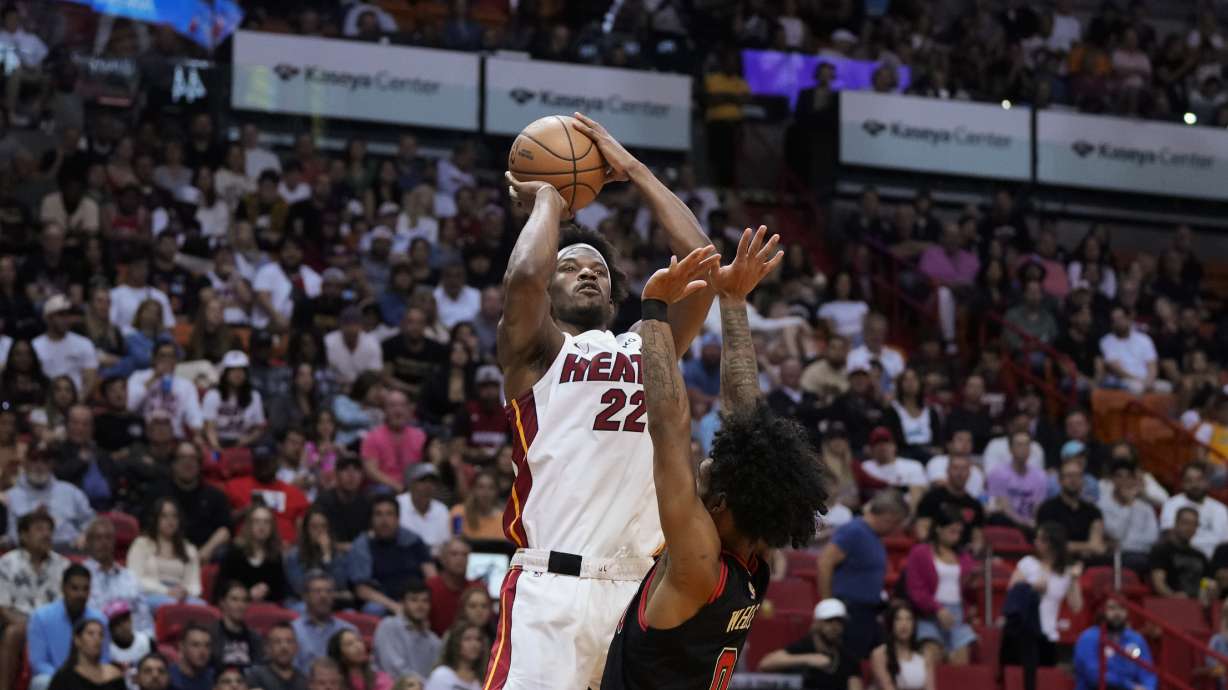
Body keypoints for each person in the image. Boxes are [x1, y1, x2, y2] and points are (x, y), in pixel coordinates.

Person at [488, 111, 714, 689]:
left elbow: (703, 267)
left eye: (598, 270)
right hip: (551, 590)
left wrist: (633, 167)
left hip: (642, 592)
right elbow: (522, 280)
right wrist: (550, 201)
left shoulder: (648, 342)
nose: (587, 274)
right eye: (570, 266)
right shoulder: (534, 352)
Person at [602, 233, 828, 688]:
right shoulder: (753, 560)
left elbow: (668, 428)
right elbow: (749, 420)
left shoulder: (698, 562)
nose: (704, 460)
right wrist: (732, 300)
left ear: (721, 502)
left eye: (710, 466)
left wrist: (654, 312)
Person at [819, 490, 910, 659]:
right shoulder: (854, 531)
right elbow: (825, 562)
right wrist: (828, 606)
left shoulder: (874, 536)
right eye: (895, 523)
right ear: (888, 516)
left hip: (868, 612)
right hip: (850, 610)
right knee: (851, 662)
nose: (895, 529)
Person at [0, 512, 70, 690]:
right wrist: (35, 627)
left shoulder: (64, 566)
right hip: (21, 624)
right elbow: (3, 607)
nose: (46, 534)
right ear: (23, 535)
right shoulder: (6, 563)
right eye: (39, 529)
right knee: (13, 633)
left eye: (49, 530)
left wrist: (46, 626)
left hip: (56, 623)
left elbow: (68, 604)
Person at [905, 507, 977, 666]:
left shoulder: (964, 557)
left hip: (957, 614)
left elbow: (967, 591)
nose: (956, 536)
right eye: (952, 531)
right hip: (929, 614)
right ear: (938, 529)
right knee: (931, 656)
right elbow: (915, 589)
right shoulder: (920, 553)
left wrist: (971, 585)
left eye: (959, 532)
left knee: (961, 661)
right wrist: (937, 609)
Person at [1008, 523, 1084, 664]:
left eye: (1040, 539)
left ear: (1051, 543)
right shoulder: (1028, 563)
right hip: (1024, 633)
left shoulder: (1066, 572)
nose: (1035, 542)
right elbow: (1011, 591)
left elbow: (1076, 606)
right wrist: (1031, 588)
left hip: (1049, 635)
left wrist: (1074, 580)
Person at [349, 495, 435, 616]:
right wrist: (395, 606)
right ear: (371, 519)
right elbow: (361, 590)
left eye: (390, 514)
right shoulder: (363, 545)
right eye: (378, 514)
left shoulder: (412, 540)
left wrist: (422, 601)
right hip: (384, 602)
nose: (384, 520)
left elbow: (431, 576)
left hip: (415, 598)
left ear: (398, 518)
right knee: (373, 609)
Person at [27, 565, 109, 690]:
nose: (80, 594)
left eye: (85, 589)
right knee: (41, 682)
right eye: (74, 588)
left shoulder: (100, 620)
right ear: (63, 588)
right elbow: (38, 663)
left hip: (89, 680)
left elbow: (104, 660)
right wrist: (67, 680)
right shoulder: (41, 617)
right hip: (54, 678)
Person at [148, 443, 231, 563]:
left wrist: (206, 551)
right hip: (163, 554)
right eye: (182, 457)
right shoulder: (157, 493)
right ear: (173, 464)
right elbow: (147, 527)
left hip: (203, 555)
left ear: (199, 464)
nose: (188, 463)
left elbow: (225, 529)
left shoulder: (215, 495)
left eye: (193, 458)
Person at [757, 599, 864, 690]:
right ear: (816, 623)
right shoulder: (803, 648)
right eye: (829, 621)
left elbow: (855, 685)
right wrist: (808, 659)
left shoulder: (848, 659)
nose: (835, 626)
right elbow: (765, 664)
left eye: (839, 622)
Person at [5, 448, 94, 549]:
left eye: (45, 461)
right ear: (25, 464)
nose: (39, 465)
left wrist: (84, 535)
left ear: (51, 464)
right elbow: (10, 536)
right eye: (34, 460)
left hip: (68, 552)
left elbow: (90, 521)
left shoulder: (71, 492)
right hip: (25, 554)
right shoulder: (10, 497)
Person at [127, 497, 204, 611]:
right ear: (155, 519)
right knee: (172, 605)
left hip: (182, 596)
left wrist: (186, 591)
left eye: (174, 516)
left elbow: (195, 585)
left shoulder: (189, 549)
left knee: (202, 607)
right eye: (164, 516)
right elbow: (133, 579)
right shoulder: (141, 544)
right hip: (151, 593)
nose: (170, 521)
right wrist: (166, 591)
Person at [223, 446, 309, 545]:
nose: (263, 466)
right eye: (259, 462)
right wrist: (245, 511)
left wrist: (294, 547)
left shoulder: (295, 493)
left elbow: (304, 530)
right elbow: (224, 522)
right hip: (246, 549)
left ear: (277, 461)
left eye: (267, 462)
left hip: (285, 551)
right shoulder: (234, 486)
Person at [84, 517, 153, 636]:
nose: (104, 542)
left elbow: (145, 620)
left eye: (108, 538)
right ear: (88, 542)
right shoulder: (80, 576)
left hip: (131, 643)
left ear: (114, 542)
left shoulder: (130, 577)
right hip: (95, 641)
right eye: (98, 538)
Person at [1036, 457, 1107, 562]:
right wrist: (1087, 547)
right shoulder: (1046, 509)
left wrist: (1070, 546)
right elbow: (1049, 546)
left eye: (1077, 475)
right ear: (1060, 480)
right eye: (1069, 476)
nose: (1073, 480)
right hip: (1056, 565)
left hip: (1087, 565)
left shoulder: (1094, 511)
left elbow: (1097, 547)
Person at [915, 442, 985, 549]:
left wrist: (974, 553)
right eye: (956, 468)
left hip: (963, 555)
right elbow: (922, 529)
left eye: (964, 469)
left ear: (970, 473)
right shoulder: (932, 498)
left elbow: (977, 538)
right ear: (947, 471)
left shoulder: (975, 505)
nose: (960, 473)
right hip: (935, 551)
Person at [1098, 459, 1159, 578]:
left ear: (1133, 480)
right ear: (1112, 480)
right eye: (1119, 476)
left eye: (1128, 477)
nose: (1123, 481)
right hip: (1113, 556)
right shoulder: (1102, 506)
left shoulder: (1146, 508)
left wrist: (1124, 545)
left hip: (1140, 555)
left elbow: (1152, 539)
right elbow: (1116, 534)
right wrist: (1128, 506)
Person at [217, 505, 288, 604]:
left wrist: (267, 591)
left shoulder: (276, 555)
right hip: (236, 608)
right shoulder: (234, 553)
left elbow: (280, 593)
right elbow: (221, 589)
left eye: (266, 522)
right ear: (248, 525)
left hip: (267, 610)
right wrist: (247, 595)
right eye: (257, 521)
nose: (262, 526)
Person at [32, 294, 99, 397]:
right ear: (48, 318)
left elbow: (91, 377)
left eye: (67, 315)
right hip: (46, 399)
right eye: (60, 315)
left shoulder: (84, 343)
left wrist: (80, 401)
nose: (65, 319)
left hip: (76, 399)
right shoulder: (35, 346)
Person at [360, 390, 426, 493]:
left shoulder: (420, 436)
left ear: (409, 410)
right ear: (385, 410)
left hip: (414, 489)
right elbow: (371, 471)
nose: (398, 410)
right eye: (392, 406)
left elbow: (424, 468)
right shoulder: (372, 437)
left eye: (402, 405)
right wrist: (397, 486)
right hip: (383, 489)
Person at [373, 580, 440, 681]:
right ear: (402, 603)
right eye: (414, 600)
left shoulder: (434, 641)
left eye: (425, 601)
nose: (420, 605)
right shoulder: (388, 626)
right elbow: (394, 670)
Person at [1160, 461, 1228, 559]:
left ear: (1207, 482)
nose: (1195, 485)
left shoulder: (1220, 509)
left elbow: (1224, 541)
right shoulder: (1172, 504)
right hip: (1182, 558)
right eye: (1189, 480)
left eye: (1199, 480)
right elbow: (1171, 537)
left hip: (1214, 561)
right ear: (1182, 483)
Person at [290, 572, 355, 673]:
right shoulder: (293, 631)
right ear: (305, 596)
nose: (324, 596)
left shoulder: (348, 630)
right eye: (317, 591)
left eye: (329, 591)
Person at [202, 351, 266, 450]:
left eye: (241, 370)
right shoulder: (213, 395)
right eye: (233, 370)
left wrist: (246, 441)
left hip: (245, 443)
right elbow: (209, 428)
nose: (238, 374)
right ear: (225, 373)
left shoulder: (254, 396)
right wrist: (217, 448)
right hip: (218, 442)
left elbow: (259, 428)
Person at [986, 430, 1048, 533]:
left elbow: (1038, 508)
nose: (1023, 449)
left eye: (1027, 445)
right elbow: (1004, 507)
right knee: (998, 518)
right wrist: (1024, 524)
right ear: (1010, 449)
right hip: (1008, 524)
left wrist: (1034, 524)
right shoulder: (998, 473)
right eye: (1019, 445)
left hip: (1030, 525)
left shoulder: (1040, 476)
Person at [1149, 507, 1214, 600]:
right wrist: (1173, 596)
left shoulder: (1200, 555)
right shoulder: (1161, 550)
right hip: (1171, 604)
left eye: (1194, 524)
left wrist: (1205, 591)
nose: (1190, 528)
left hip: (1197, 604)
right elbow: (1158, 582)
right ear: (1176, 523)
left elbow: (1205, 581)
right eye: (1186, 523)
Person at [46, 618, 126, 690]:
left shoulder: (114, 674)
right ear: (77, 640)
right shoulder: (64, 678)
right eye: (90, 634)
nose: (97, 638)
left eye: (101, 634)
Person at [859, 426, 928, 509]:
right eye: (878, 444)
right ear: (870, 449)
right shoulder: (864, 467)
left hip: (905, 509)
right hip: (875, 512)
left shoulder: (912, 466)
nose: (883, 447)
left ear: (894, 445)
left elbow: (919, 492)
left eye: (886, 442)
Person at [869, 603, 933, 690]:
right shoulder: (879, 654)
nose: (904, 624)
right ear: (891, 624)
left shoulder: (925, 654)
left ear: (914, 624)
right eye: (898, 619)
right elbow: (887, 687)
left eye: (909, 619)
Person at [424, 539, 480, 636]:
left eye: (465, 555)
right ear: (442, 559)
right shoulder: (429, 587)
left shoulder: (478, 589)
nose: (460, 559)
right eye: (454, 554)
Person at [313, 456, 370, 547]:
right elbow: (316, 537)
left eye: (356, 470)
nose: (351, 475)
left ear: (362, 476)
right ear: (336, 475)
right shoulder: (324, 502)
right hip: (330, 553)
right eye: (345, 469)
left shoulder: (367, 502)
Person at [209, 581, 262, 672]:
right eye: (234, 599)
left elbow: (259, 669)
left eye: (244, 600)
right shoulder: (210, 634)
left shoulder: (255, 637)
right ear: (222, 603)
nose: (240, 605)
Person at [397, 464, 450, 554]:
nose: (428, 486)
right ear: (411, 484)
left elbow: (444, 543)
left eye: (432, 482)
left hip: (435, 560)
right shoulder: (398, 504)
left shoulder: (442, 509)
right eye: (422, 481)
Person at [425, 622, 486, 690]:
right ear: (455, 643)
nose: (474, 644)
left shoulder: (483, 680)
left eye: (478, 639)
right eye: (467, 639)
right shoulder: (441, 675)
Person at [245, 623, 306, 690]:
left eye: (289, 641)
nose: (284, 647)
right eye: (277, 642)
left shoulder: (304, 681)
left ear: (296, 647)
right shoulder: (256, 677)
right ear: (267, 648)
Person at [449, 471, 506, 542]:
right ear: (474, 489)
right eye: (481, 487)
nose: (485, 493)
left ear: (497, 492)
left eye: (491, 488)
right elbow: (456, 541)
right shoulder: (458, 512)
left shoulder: (503, 520)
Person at [326, 629, 391, 690]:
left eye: (359, 640)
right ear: (339, 654)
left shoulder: (380, 678)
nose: (358, 646)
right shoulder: (333, 683)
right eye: (350, 644)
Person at [104, 601, 151, 682]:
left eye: (125, 620)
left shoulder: (146, 641)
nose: (123, 626)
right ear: (110, 629)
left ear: (130, 619)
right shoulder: (107, 651)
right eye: (117, 623)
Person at [171, 623, 216, 690]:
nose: (202, 651)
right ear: (181, 647)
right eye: (195, 645)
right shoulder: (168, 677)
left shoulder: (215, 678)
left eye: (207, 646)